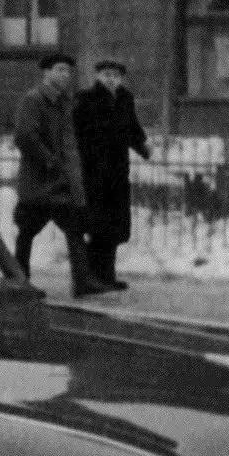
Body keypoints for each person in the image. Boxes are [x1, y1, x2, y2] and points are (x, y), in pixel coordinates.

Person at [12, 54, 102, 297]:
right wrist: (49, 161)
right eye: (60, 70)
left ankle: (82, 282)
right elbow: (24, 136)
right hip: (39, 182)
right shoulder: (34, 100)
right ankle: (19, 280)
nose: (65, 75)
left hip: (60, 182)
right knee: (27, 232)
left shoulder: (64, 102)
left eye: (68, 71)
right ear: (46, 73)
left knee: (74, 228)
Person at [74, 58, 151, 291]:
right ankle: (92, 277)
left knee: (115, 226)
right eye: (106, 74)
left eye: (115, 75)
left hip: (118, 172)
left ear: (121, 78)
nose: (111, 79)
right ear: (97, 76)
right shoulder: (86, 98)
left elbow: (131, 127)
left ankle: (108, 276)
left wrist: (143, 147)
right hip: (94, 172)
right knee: (98, 225)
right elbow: (78, 132)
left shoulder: (125, 98)